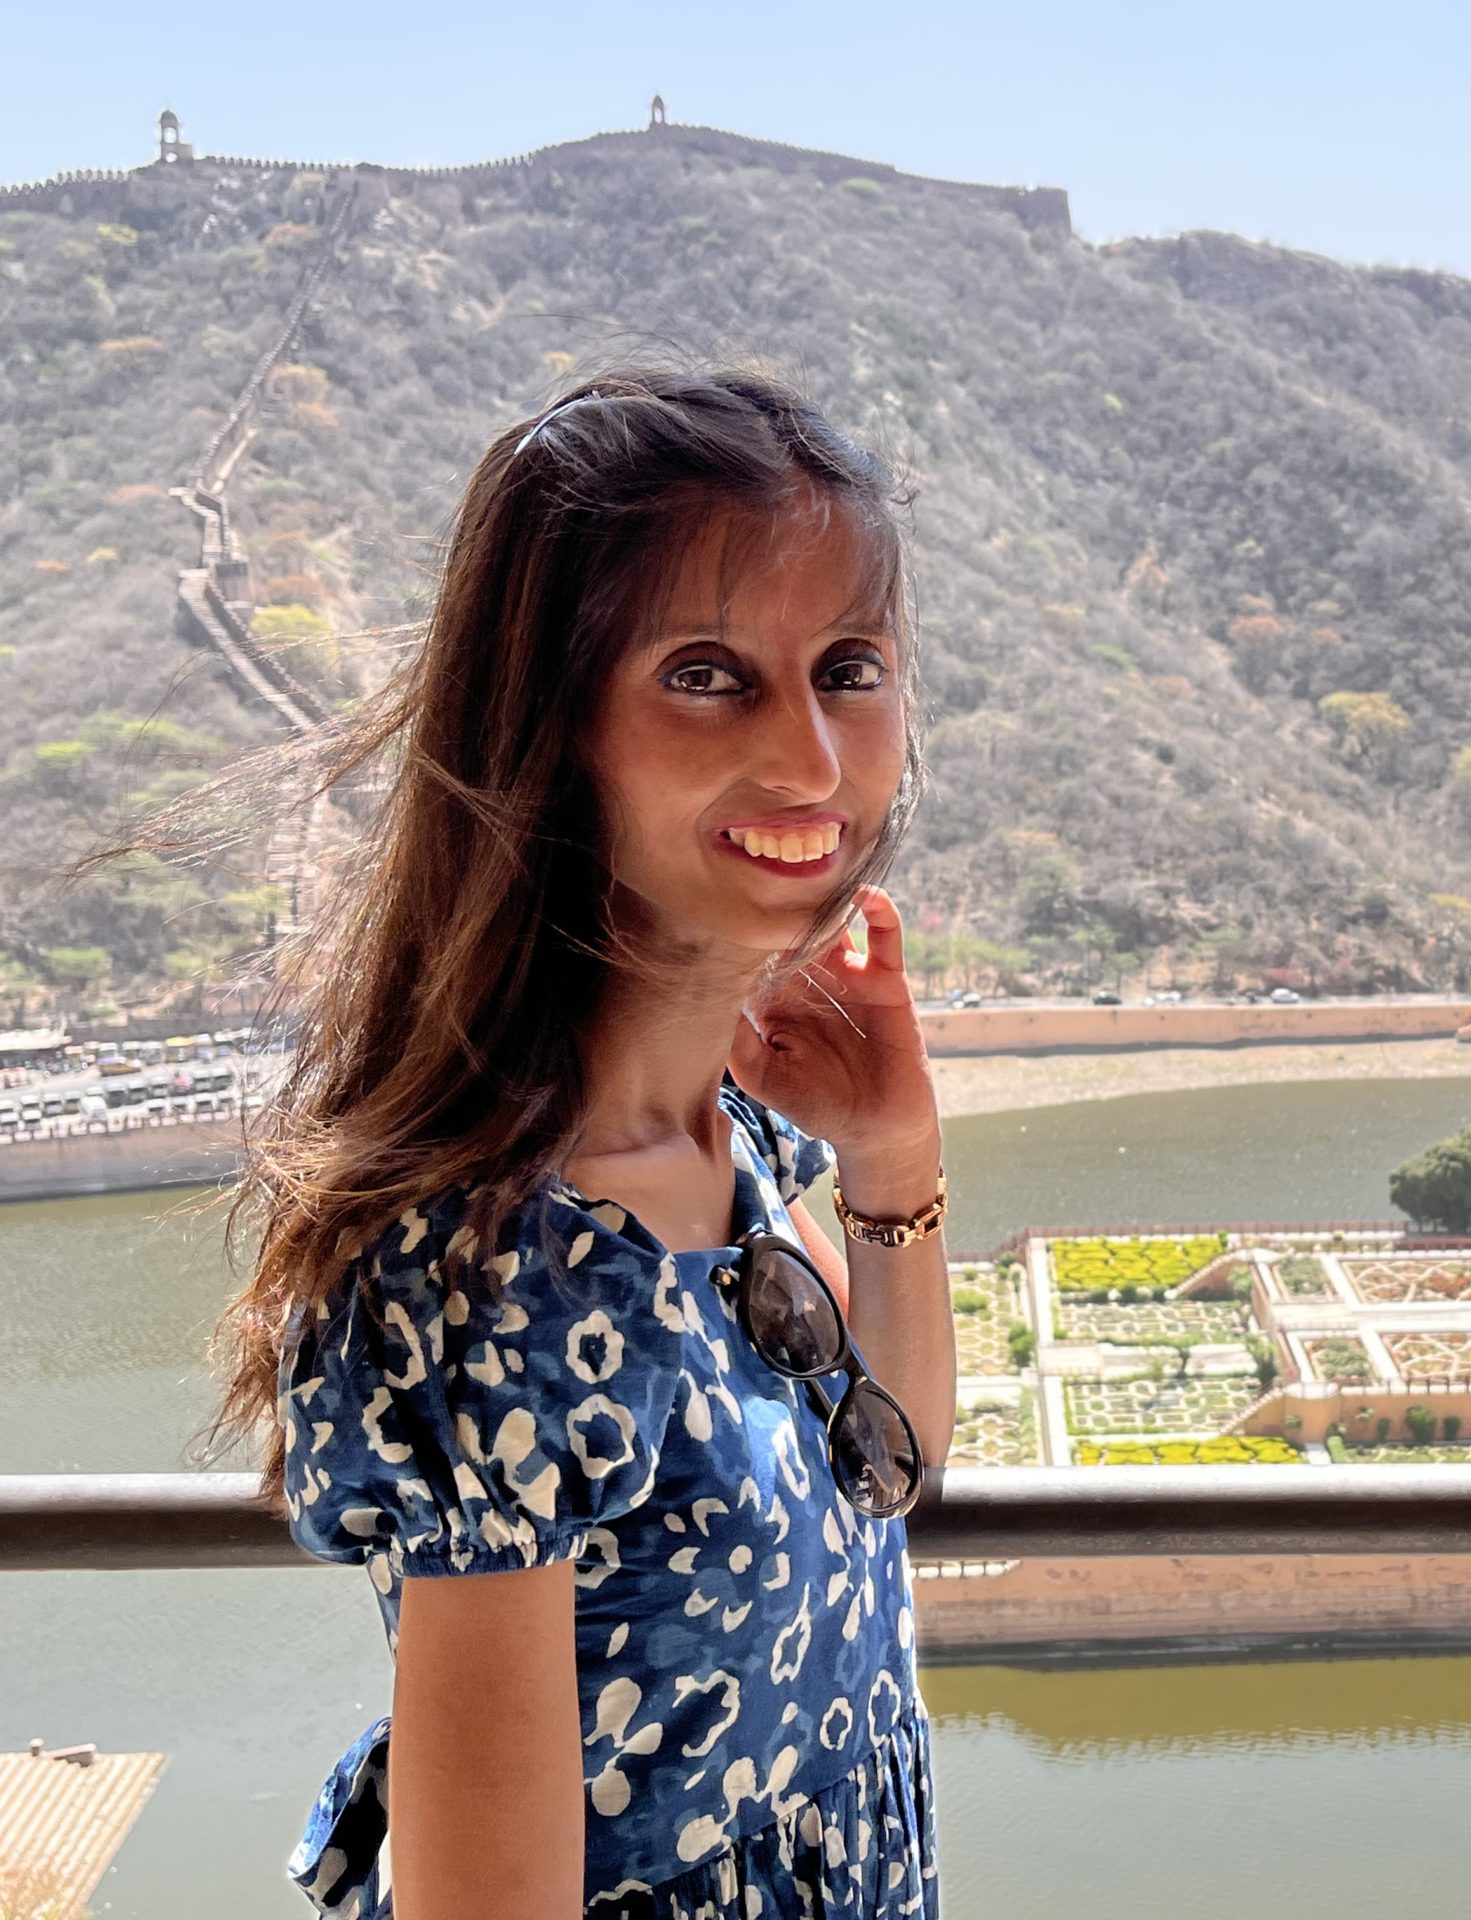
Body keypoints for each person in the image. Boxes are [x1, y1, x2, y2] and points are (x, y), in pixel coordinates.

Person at [195, 364, 957, 1918]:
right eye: (705, 674)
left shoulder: (727, 1142)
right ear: (551, 727)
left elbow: (891, 1464)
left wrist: (891, 1157)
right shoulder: (483, 1277)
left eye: (850, 666)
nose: (814, 761)